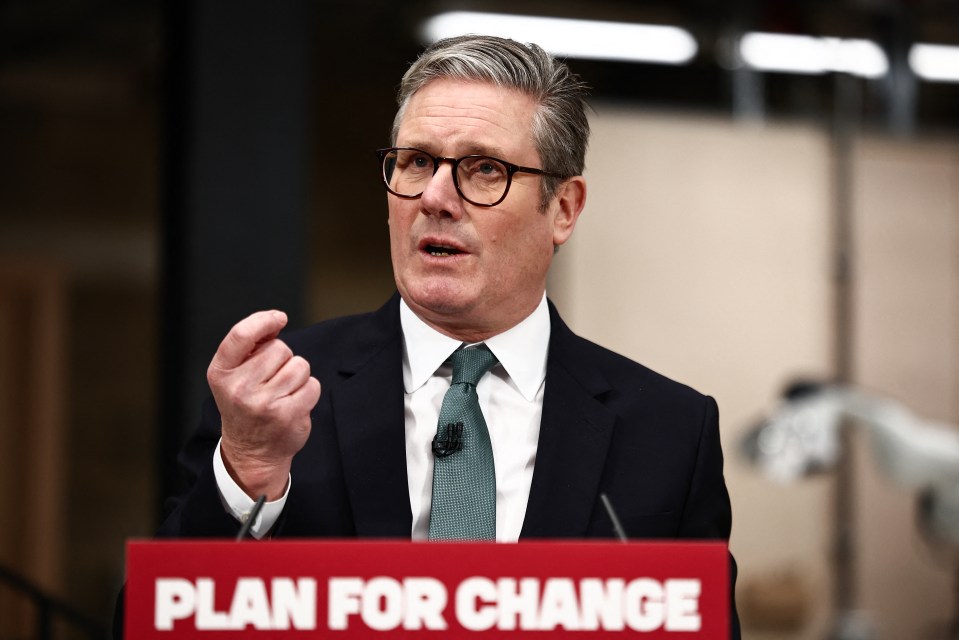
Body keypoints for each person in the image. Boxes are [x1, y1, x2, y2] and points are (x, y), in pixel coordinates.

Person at [157, 34, 739, 637]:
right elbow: (150, 626)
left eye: (484, 169)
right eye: (416, 162)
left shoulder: (669, 432)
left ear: (563, 208)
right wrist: (249, 468)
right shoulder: (278, 392)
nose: (435, 197)